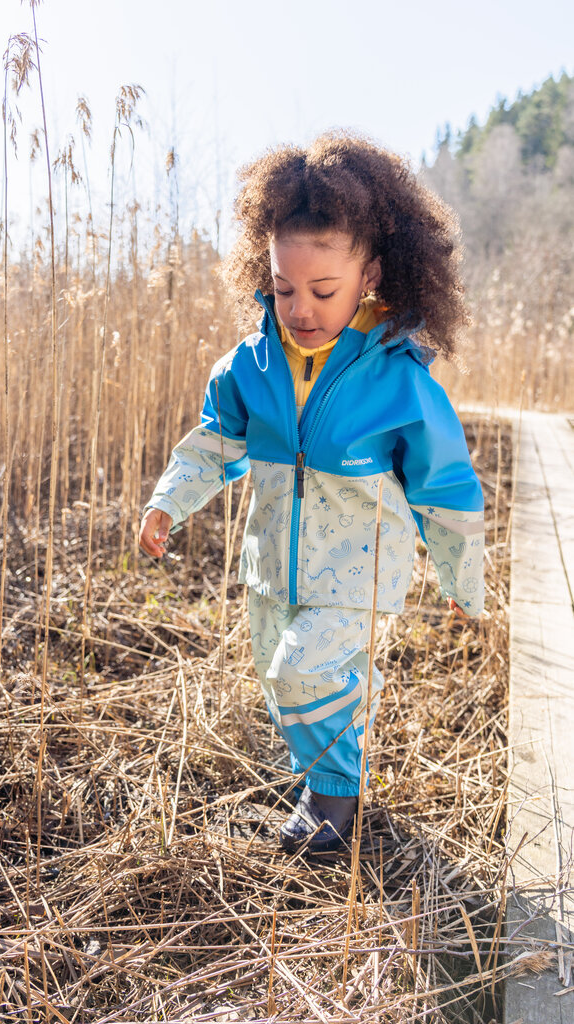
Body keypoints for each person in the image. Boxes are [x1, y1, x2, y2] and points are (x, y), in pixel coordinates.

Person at [139, 131, 484, 854]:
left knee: (304, 672)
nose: (300, 307)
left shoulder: (397, 379)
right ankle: (329, 758)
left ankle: (333, 805)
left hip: (359, 569)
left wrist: (460, 576)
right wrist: (170, 498)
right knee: (278, 676)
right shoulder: (248, 366)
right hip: (271, 563)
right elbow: (214, 441)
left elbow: (443, 485)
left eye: (322, 290)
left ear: (369, 276)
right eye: (282, 287)